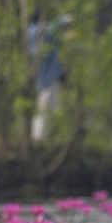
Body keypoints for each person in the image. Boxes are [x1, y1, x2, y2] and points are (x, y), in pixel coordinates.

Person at [27, 10, 71, 141]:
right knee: (44, 105)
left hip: (49, 74)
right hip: (46, 75)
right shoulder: (38, 32)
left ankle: (51, 135)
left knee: (52, 105)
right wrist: (64, 19)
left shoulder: (33, 32)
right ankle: (39, 136)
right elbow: (53, 28)